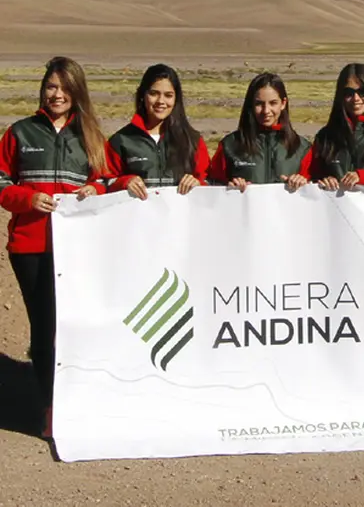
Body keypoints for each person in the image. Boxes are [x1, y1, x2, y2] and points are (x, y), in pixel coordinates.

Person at [0, 56, 111, 436]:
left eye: (65, 88)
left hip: (77, 248)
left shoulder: (91, 137)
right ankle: (50, 407)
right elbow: (1, 181)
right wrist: (26, 199)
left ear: (77, 92)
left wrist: (94, 189)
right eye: (51, 86)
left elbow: (108, 180)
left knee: (74, 324)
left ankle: (79, 399)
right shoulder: (20, 133)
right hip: (30, 246)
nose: (57, 94)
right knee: (45, 324)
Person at [107, 64, 209, 197]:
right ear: (143, 95)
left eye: (168, 95)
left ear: (176, 99)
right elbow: (105, 182)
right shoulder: (121, 141)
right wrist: (125, 182)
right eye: (153, 93)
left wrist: (198, 184)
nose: (161, 101)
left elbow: (210, 181)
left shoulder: (193, 141)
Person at [209, 73, 311, 191]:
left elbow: (315, 189)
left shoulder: (302, 148)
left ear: (283, 103)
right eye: (259, 104)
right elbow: (212, 186)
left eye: (273, 103)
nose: (266, 110)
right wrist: (229, 187)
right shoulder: (230, 145)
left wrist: (303, 183)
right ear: (251, 105)